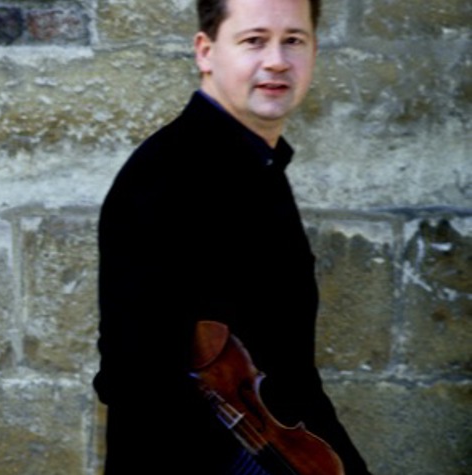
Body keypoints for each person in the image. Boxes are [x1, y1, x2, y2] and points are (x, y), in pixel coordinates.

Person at [93, 0, 372, 473]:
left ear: (314, 51)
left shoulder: (256, 165)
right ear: (206, 51)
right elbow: (135, 381)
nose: (277, 60)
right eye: (254, 40)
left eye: (293, 41)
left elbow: (288, 373)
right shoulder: (167, 179)